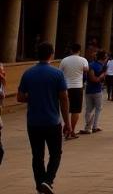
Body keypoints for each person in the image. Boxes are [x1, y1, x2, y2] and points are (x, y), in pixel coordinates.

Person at [17, 42, 69, 194]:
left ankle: (40, 185)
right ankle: (48, 180)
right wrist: (67, 123)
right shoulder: (57, 74)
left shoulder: (28, 73)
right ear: (51, 54)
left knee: (37, 156)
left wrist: (33, 97)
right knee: (56, 153)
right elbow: (64, 98)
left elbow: (20, 97)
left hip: (33, 122)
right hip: (53, 121)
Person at [59, 43, 88, 139]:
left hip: (66, 87)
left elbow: (60, 72)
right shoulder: (83, 60)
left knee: (66, 109)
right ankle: (72, 130)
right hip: (77, 87)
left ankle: (66, 126)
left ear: (71, 50)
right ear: (79, 50)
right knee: (76, 111)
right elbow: (86, 70)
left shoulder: (64, 60)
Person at [80, 49, 107, 134]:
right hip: (97, 90)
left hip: (89, 89)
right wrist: (102, 75)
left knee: (89, 109)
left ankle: (88, 127)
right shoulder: (101, 67)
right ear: (104, 58)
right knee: (98, 109)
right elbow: (94, 79)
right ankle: (94, 126)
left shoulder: (90, 65)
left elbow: (87, 77)